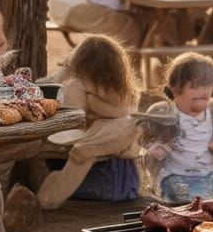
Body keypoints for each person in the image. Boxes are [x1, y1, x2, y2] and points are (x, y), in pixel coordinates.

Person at [38, 34, 143, 208]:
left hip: (105, 135)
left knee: (131, 124)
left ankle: (89, 148)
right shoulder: (77, 84)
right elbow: (49, 85)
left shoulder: (122, 90)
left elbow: (124, 110)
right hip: (79, 134)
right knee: (72, 89)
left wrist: (93, 98)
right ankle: (50, 197)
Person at [141, 52, 213, 203]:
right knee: (187, 200)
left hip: (208, 174)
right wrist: (153, 150)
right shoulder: (161, 113)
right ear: (175, 88)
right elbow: (142, 142)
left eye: (208, 85)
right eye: (195, 86)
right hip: (173, 175)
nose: (203, 91)